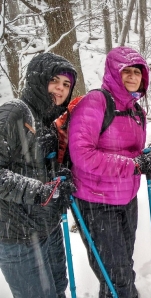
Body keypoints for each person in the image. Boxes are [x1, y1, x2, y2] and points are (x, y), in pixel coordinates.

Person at [68, 47, 151, 298]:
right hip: (95, 201)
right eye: (126, 71)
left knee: (122, 266)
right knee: (115, 274)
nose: (132, 77)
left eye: (137, 72)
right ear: (112, 72)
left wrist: (147, 157)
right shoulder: (96, 102)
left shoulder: (137, 111)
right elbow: (82, 154)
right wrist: (134, 164)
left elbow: (131, 152)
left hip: (126, 199)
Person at [0, 52, 77, 298]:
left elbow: (35, 167)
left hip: (47, 227)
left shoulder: (47, 122)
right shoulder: (15, 112)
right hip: (18, 237)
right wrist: (41, 191)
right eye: (55, 80)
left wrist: (60, 178)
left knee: (58, 290)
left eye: (66, 85)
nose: (61, 89)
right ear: (38, 79)